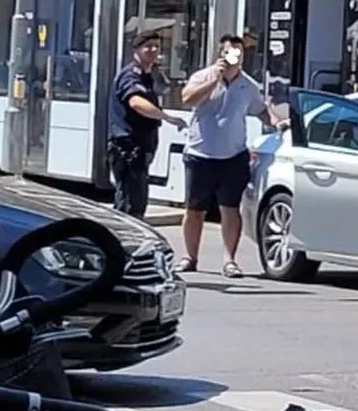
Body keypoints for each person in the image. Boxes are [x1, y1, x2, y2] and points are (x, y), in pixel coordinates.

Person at [175, 35, 289, 277]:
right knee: (194, 210)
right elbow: (187, 99)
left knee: (230, 208)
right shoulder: (203, 77)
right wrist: (214, 79)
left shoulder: (248, 85)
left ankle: (229, 260)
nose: (235, 58)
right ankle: (190, 256)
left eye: (239, 54)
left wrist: (276, 122)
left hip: (233, 156)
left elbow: (260, 110)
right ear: (220, 54)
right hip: (200, 154)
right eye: (230, 53)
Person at [107, 31, 186, 220]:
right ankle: (123, 243)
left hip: (140, 146)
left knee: (136, 200)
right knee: (130, 204)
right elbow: (135, 102)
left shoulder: (148, 74)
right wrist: (167, 117)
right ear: (137, 49)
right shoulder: (130, 75)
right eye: (148, 46)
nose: (153, 50)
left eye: (157, 46)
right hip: (127, 146)